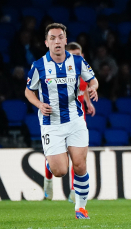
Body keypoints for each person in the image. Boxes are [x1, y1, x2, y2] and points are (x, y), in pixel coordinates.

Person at [25, 23, 98, 219]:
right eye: (53, 38)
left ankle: (81, 208)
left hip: (75, 119)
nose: (57, 41)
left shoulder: (77, 62)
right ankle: (50, 165)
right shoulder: (38, 66)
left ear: (65, 40)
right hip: (52, 124)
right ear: (46, 42)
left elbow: (92, 79)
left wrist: (93, 87)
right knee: (60, 171)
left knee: (80, 166)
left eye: (60, 37)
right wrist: (39, 104)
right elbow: (28, 91)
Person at [43, 42, 96, 204]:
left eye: (79, 55)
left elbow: (85, 87)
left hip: (78, 118)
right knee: (61, 159)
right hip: (59, 120)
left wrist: (88, 103)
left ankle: (74, 192)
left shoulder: (83, 71)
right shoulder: (59, 73)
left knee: (78, 157)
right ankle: (49, 176)